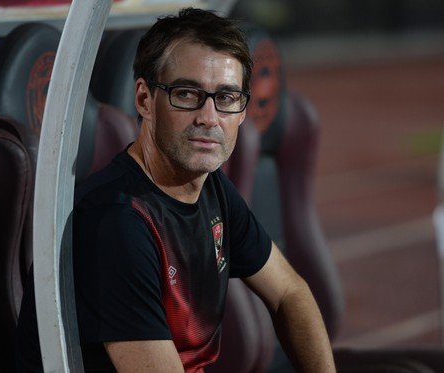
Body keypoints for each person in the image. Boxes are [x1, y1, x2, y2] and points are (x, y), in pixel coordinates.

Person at [17, 7, 336, 373]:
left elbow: (289, 293)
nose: (209, 117)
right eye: (187, 94)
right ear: (144, 100)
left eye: (227, 98)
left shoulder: (210, 185)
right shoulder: (116, 223)